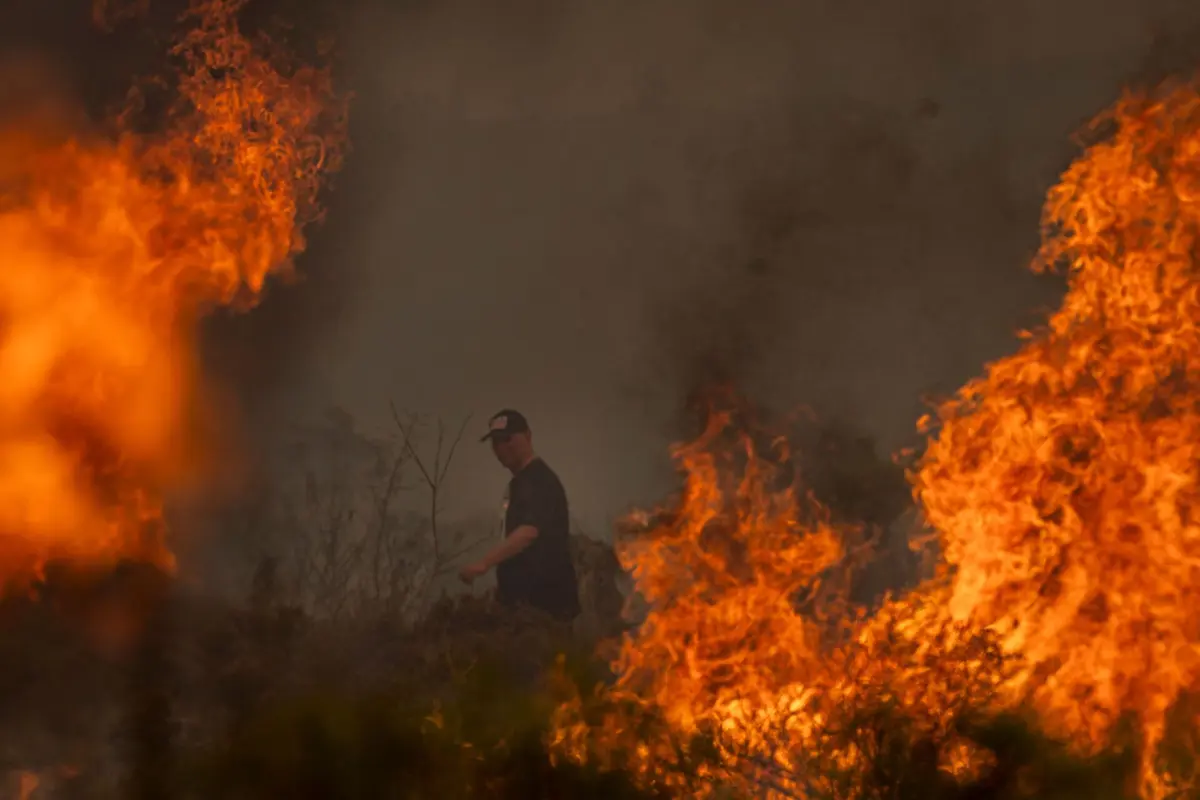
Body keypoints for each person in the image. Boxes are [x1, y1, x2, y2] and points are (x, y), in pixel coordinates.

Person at [459, 409, 582, 624]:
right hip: (521, 607)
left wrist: (484, 564)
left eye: (507, 439)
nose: (501, 447)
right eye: (495, 442)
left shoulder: (539, 480)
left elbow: (528, 532)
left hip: (544, 608)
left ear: (528, 436)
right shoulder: (520, 483)